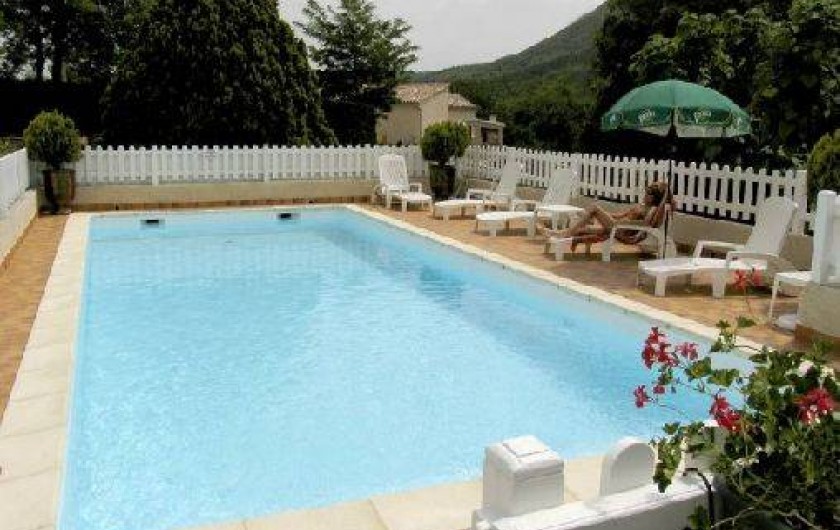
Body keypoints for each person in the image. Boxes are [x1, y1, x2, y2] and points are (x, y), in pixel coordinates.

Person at [543, 182, 675, 252]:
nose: (645, 195)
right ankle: (557, 234)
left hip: (624, 231)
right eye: (646, 193)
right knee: (587, 227)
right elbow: (621, 215)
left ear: (654, 198)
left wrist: (625, 223)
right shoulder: (640, 206)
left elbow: (645, 225)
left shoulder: (652, 209)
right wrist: (604, 215)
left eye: (648, 194)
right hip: (618, 226)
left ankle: (564, 235)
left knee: (594, 208)